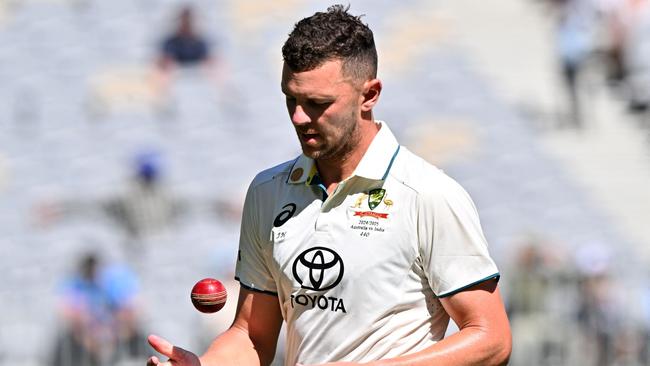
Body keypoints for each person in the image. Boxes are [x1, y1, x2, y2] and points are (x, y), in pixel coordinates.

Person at [147, 5, 511, 365]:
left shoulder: (429, 194)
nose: (298, 117)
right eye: (291, 99)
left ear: (369, 95)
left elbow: (491, 339)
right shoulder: (266, 191)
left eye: (318, 103)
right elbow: (252, 336)